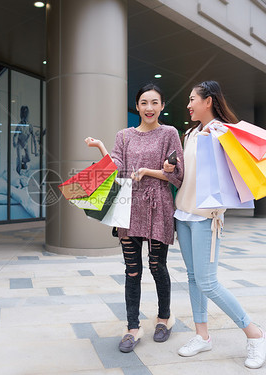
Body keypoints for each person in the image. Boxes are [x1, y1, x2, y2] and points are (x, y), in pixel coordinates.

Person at [163, 80, 266, 369]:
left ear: (208, 101)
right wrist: (171, 169)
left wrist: (221, 137)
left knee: (208, 282)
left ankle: (255, 334)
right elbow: (187, 177)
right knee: (194, 278)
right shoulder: (189, 133)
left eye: (192, 99)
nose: (188, 105)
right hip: (183, 213)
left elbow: (237, 170)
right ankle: (202, 336)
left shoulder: (224, 131)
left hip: (208, 218)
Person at [85, 83, 184, 353]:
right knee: (132, 270)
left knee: (156, 266)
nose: (149, 108)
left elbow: (177, 175)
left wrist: (150, 171)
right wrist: (102, 148)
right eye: (143, 103)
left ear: (162, 106)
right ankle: (132, 327)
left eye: (154, 103)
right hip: (128, 207)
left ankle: (164, 318)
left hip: (158, 206)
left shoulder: (169, 134)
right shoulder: (124, 136)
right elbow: (115, 168)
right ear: (137, 106)